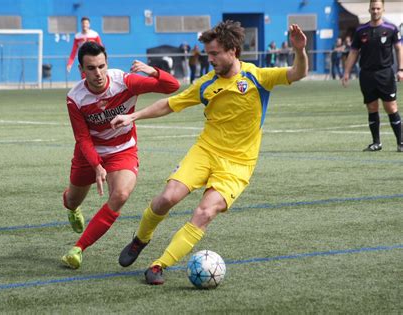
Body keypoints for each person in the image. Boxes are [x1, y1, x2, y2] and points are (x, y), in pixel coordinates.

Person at [111, 21, 308, 285]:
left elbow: (297, 73)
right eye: (208, 54)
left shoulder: (257, 77)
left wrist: (300, 51)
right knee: (166, 199)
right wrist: (132, 116)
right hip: (205, 152)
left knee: (204, 213)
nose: (210, 59)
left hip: (237, 164)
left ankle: (159, 265)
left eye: (215, 53)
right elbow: (169, 104)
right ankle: (141, 239)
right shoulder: (206, 84)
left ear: (233, 51)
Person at [60, 41, 180, 269]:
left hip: (122, 150)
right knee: (73, 199)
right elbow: (82, 138)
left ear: (107, 63)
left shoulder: (125, 82)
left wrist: (153, 71)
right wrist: (96, 165)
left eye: (102, 66)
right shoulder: (75, 98)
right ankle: (72, 207)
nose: (98, 73)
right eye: (91, 68)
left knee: (121, 194)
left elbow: (172, 86)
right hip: (90, 153)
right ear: (81, 70)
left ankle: (78, 249)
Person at [342, 0, 402, 152]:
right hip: (367, 74)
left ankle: (401, 142)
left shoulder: (391, 29)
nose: (375, 11)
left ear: (383, 9)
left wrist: (401, 69)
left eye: (378, 8)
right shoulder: (361, 30)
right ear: (369, 9)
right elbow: (354, 52)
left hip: (385, 73)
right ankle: (376, 143)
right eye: (373, 8)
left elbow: (398, 49)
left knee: (391, 107)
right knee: (372, 107)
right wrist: (347, 72)